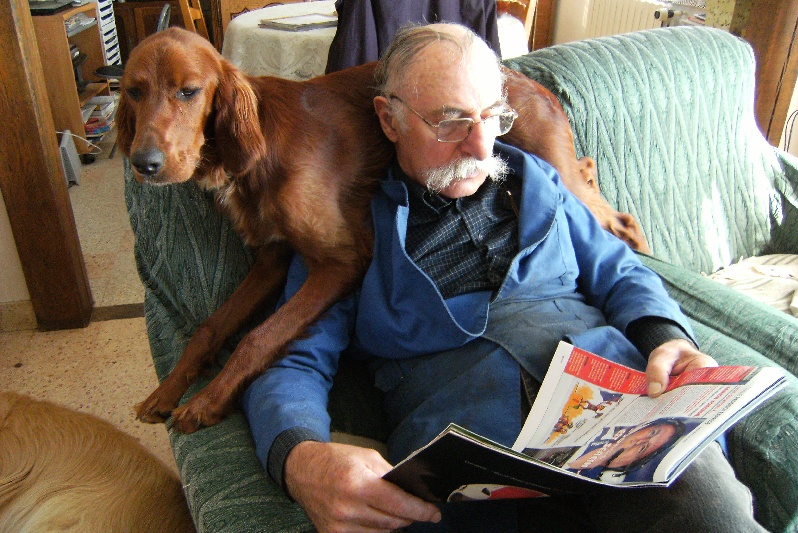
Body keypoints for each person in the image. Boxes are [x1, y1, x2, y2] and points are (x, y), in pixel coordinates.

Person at [243, 23, 765, 532]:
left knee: (714, 518)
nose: (479, 145)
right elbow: (291, 359)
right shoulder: (349, 228)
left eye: (492, 115)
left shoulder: (540, 182)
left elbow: (622, 271)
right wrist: (301, 460)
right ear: (388, 118)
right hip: (469, 461)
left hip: (626, 420)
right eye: (450, 122)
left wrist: (665, 337)